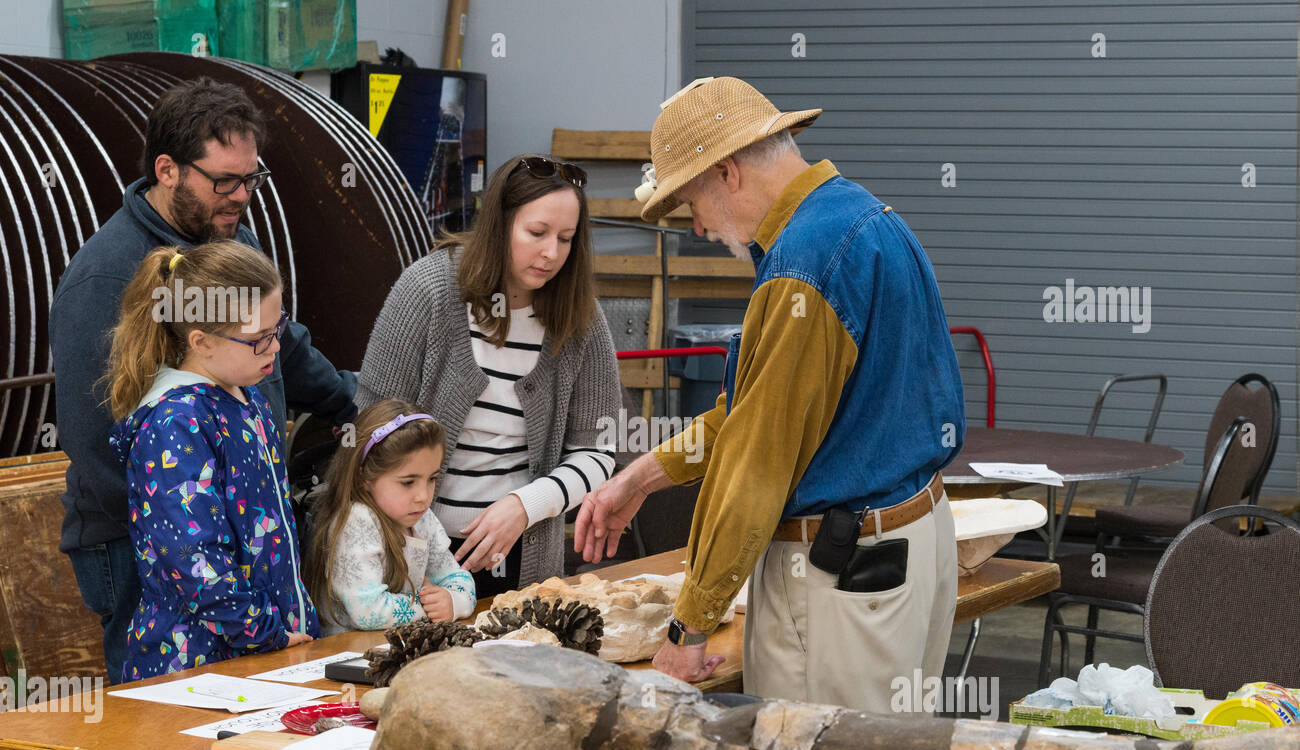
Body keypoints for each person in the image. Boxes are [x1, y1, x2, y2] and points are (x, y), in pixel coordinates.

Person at [575, 78, 966, 713]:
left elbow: (759, 464)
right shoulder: (863, 216)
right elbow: (755, 409)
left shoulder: (802, 267)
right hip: (908, 551)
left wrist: (689, 627)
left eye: (690, 202)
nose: (696, 227)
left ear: (726, 171)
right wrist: (641, 479)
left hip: (844, 577)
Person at [50, 76, 356, 684]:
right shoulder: (105, 278)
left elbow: (282, 344)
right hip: (144, 543)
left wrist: (356, 400)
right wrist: (199, 517)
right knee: (171, 712)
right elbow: (91, 436)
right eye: (225, 181)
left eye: (252, 179)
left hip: (234, 538)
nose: (242, 196)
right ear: (168, 170)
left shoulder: (226, 235)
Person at [356, 154, 621, 599]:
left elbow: (597, 451)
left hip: (524, 560)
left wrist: (525, 506)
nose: (551, 253)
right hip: (412, 559)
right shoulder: (428, 290)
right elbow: (369, 428)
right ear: (499, 224)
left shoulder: (580, 317)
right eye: (536, 233)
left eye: (566, 239)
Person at [105, 242, 317, 681]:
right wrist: (264, 631)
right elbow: (193, 558)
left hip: (265, 655)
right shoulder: (174, 423)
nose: (275, 348)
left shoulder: (247, 399)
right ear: (201, 342)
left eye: (279, 329)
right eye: (259, 339)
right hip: (195, 671)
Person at [306, 399, 476, 634]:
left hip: (397, 646)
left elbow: (458, 578)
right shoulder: (357, 520)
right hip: (346, 656)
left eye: (432, 479)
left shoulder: (422, 517)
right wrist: (429, 608)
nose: (423, 496)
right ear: (365, 476)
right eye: (408, 482)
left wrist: (452, 601)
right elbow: (368, 611)